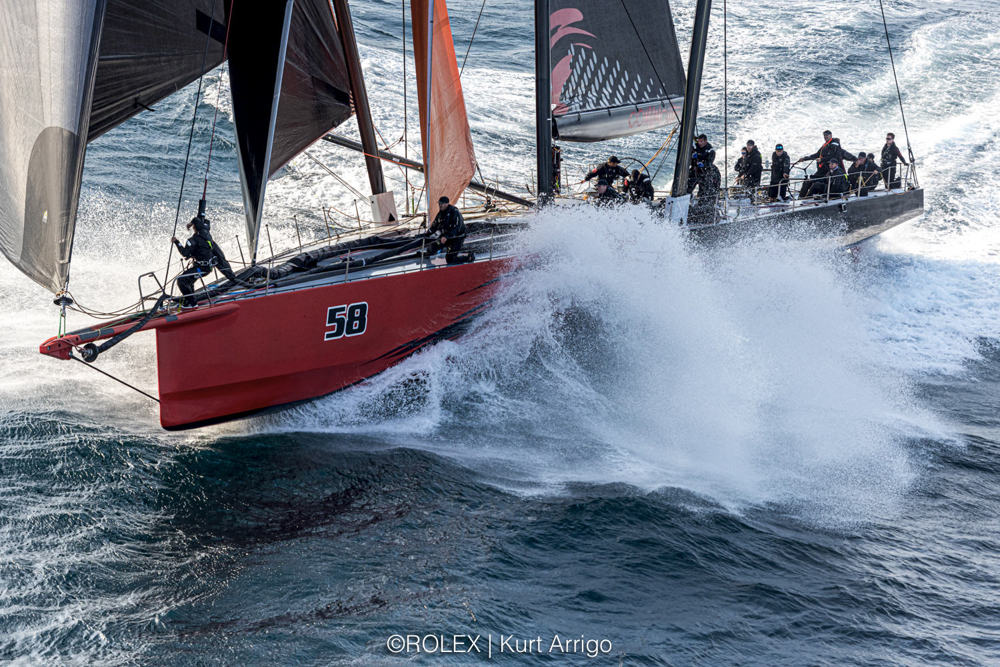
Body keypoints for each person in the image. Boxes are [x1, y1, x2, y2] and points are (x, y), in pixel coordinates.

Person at [171, 218, 217, 307]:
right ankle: (190, 299)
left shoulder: (192, 240)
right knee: (189, 280)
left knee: (181, 280)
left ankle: (192, 303)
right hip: (208, 267)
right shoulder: (207, 232)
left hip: (201, 268)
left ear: (194, 227)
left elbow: (184, 253)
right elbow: (205, 221)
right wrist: (192, 223)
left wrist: (176, 242)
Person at [796, 130, 856, 197]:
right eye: (824, 135)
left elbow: (833, 156)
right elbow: (817, 154)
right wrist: (805, 158)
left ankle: (808, 197)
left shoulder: (835, 145)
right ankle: (802, 198)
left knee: (814, 183)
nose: (825, 137)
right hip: (823, 170)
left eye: (827, 135)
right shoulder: (825, 146)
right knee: (808, 181)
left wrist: (822, 159)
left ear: (831, 135)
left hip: (828, 171)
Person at [426, 196, 473, 264]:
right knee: (432, 246)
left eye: (441, 204)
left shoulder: (454, 212)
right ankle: (426, 255)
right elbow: (435, 225)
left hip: (457, 238)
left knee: (450, 259)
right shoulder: (441, 213)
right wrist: (428, 233)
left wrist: (446, 236)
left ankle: (468, 258)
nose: (440, 205)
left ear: (447, 204)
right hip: (446, 237)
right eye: (439, 203)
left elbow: (457, 227)